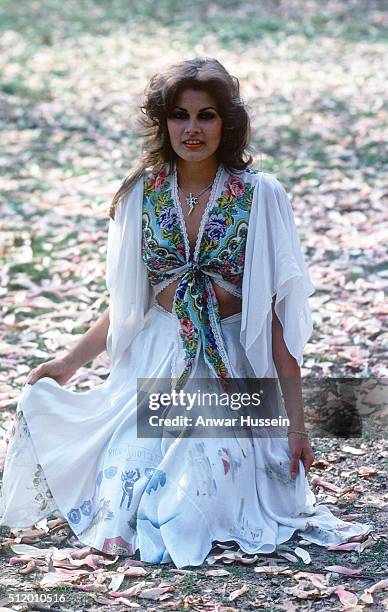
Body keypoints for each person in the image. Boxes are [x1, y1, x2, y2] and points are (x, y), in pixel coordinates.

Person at [0, 57, 372, 568]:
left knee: (189, 507)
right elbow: (127, 305)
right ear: (163, 122)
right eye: (180, 115)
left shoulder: (261, 196)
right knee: (128, 499)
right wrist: (67, 364)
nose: (192, 129)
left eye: (206, 116)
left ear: (228, 123)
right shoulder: (141, 194)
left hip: (228, 365)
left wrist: (297, 426)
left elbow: (276, 322)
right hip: (157, 363)